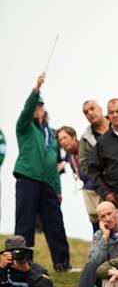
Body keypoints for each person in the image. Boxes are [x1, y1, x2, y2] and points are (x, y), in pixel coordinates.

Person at [14, 72, 70, 271]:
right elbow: (27, 110)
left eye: (40, 105)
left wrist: (58, 189)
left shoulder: (52, 135)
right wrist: (36, 89)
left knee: (55, 223)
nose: (37, 108)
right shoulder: (24, 128)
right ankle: (22, 263)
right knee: (25, 224)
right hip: (27, 179)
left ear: (44, 110)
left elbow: (54, 164)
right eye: (35, 106)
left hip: (48, 184)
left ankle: (62, 264)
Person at [66, 201, 118, 287]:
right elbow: (94, 260)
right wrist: (105, 237)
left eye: (109, 214)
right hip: (106, 276)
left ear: (117, 213)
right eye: (102, 217)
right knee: (91, 265)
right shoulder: (99, 235)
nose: (107, 218)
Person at [78, 100, 110, 232]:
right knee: (100, 231)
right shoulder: (85, 139)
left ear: (101, 109)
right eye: (86, 112)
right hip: (101, 192)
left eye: (92, 109)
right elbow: (84, 166)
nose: (90, 113)